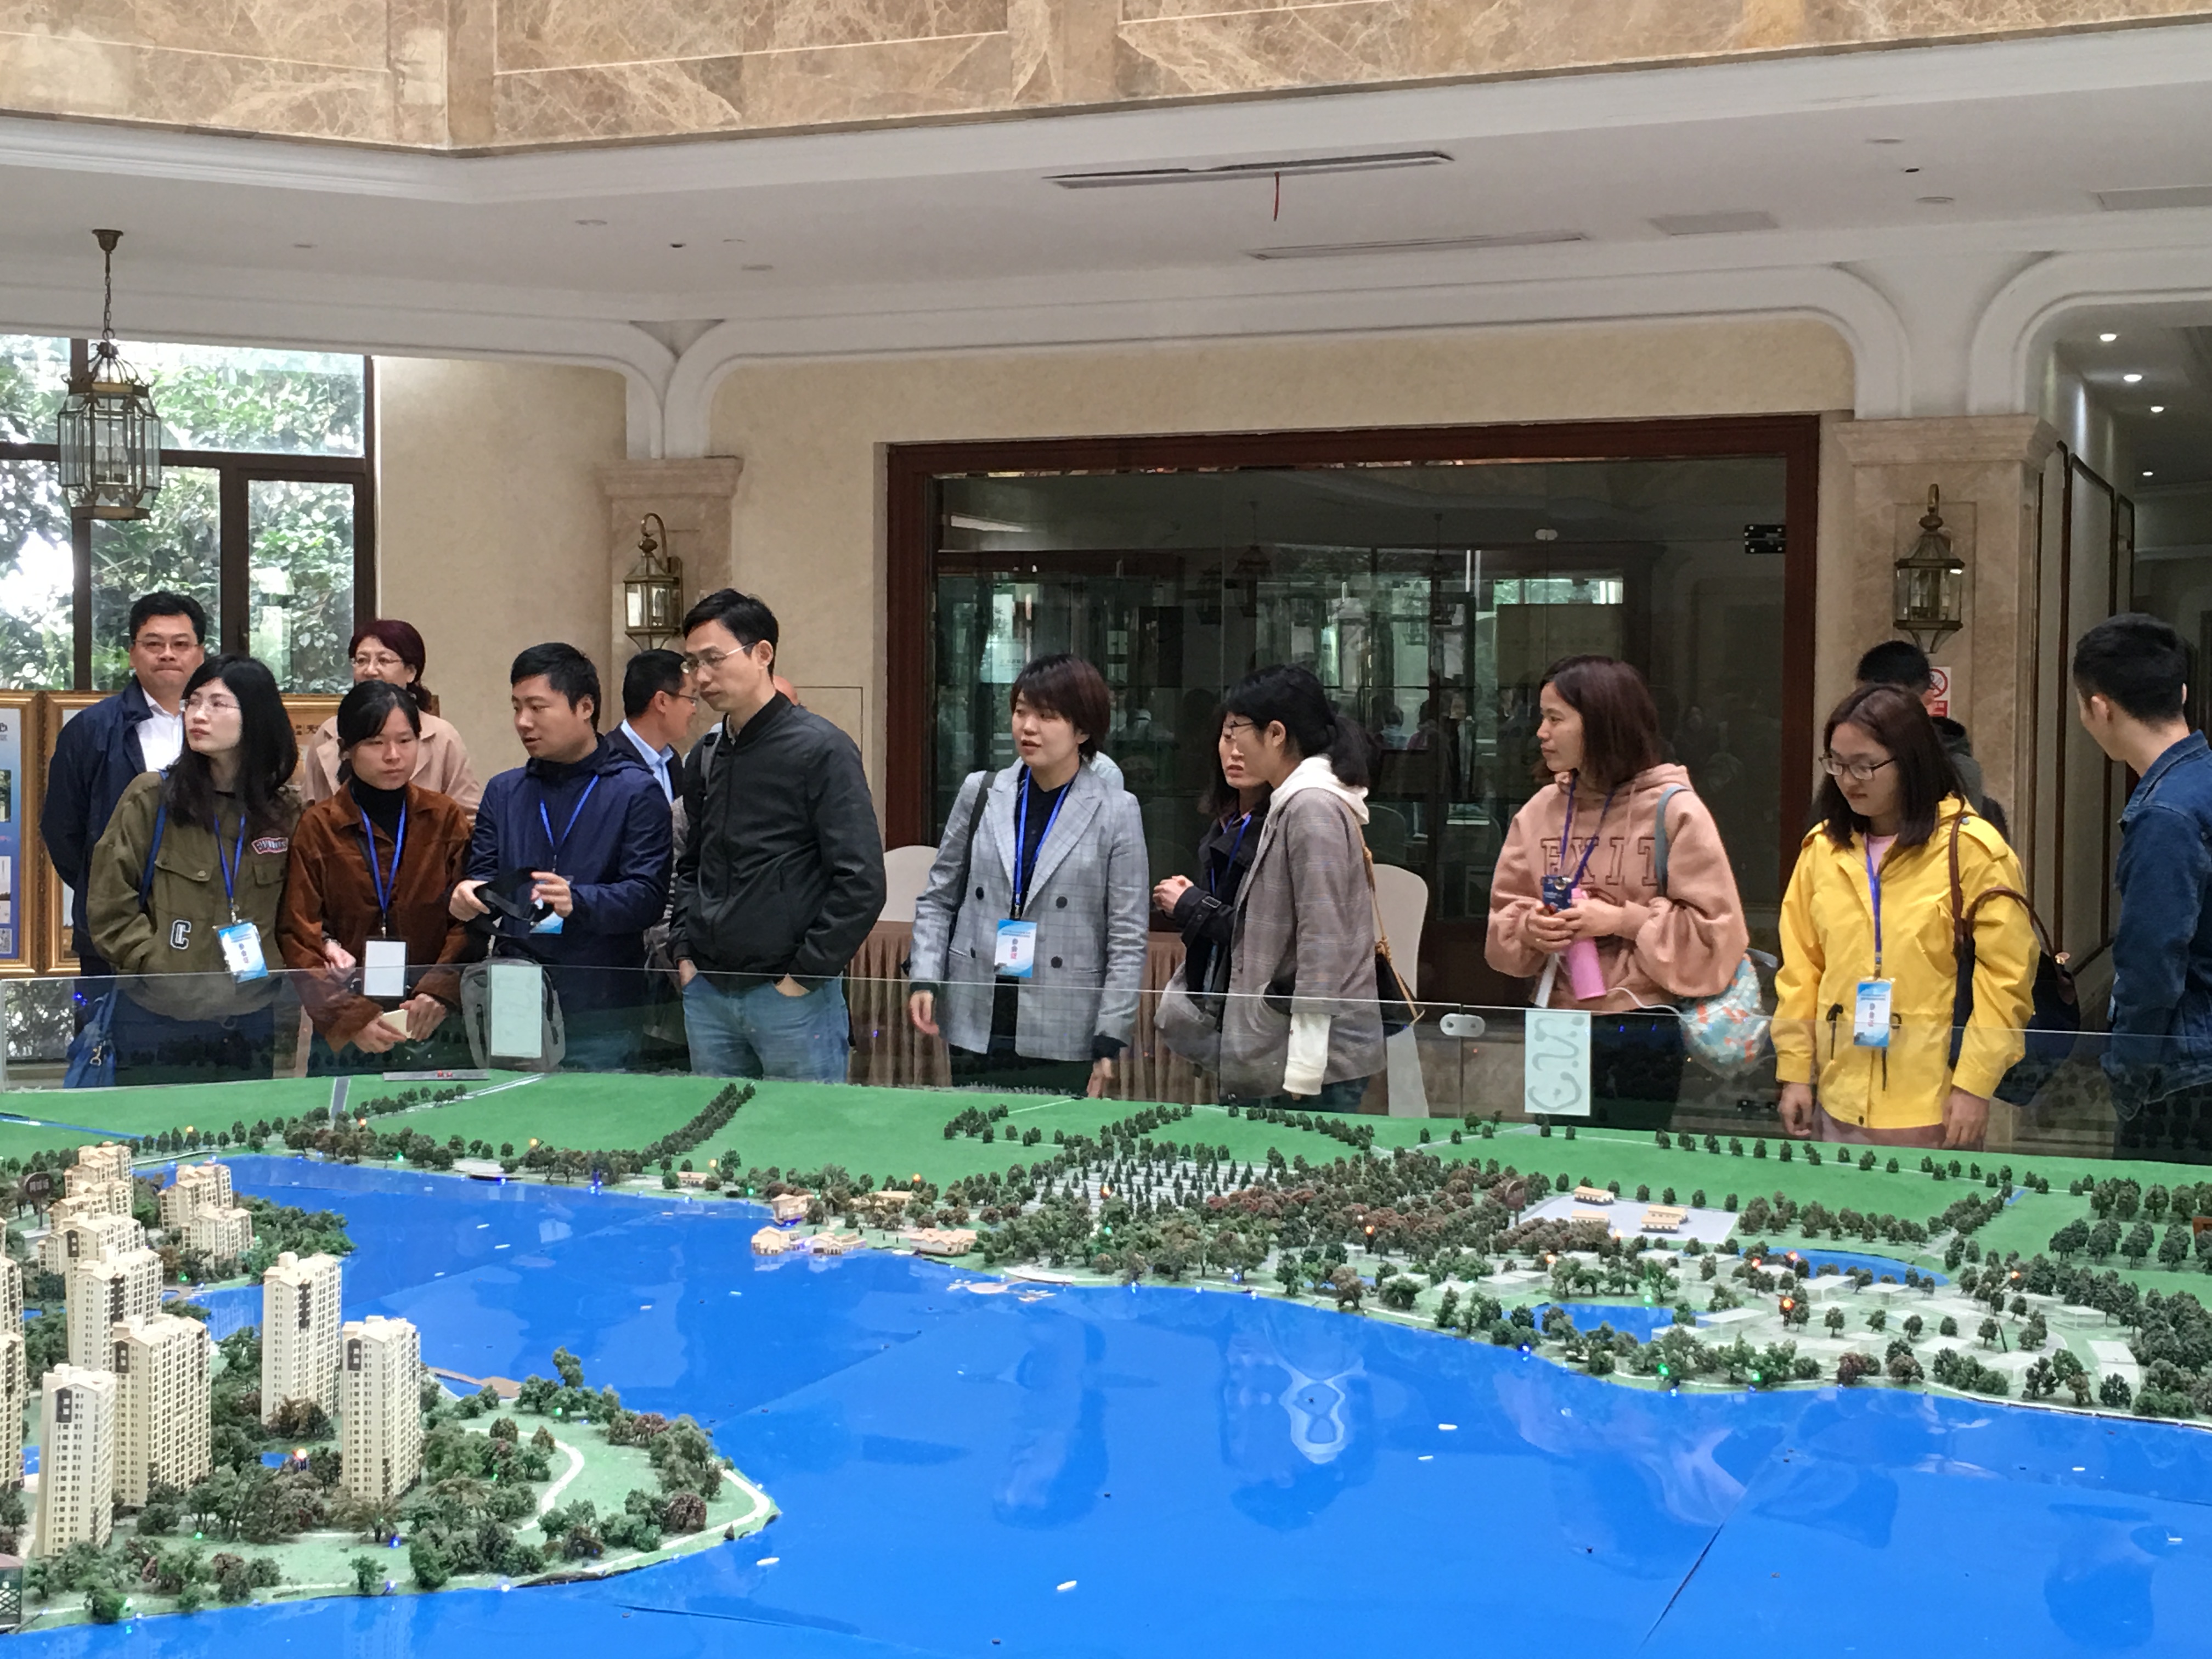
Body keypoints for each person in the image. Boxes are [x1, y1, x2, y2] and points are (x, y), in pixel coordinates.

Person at [1487, 656, 1750, 1128]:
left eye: (1555, 719)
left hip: (1644, 1020)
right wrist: (1530, 928)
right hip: (1557, 1019)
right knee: (1555, 1152)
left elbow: (1717, 935)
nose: (1541, 733)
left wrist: (1622, 921)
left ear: (1602, 723)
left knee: (1633, 1160)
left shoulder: (1675, 810)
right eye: (1542, 718)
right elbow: (1505, 915)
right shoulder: (1541, 810)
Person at [1774, 683, 2036, 1150]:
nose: (1849, 780)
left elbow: (2006, 980)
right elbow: (1802, 970)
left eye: (1865, 765)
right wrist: (1795, 1071)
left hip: (1936, 1103)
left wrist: (1974, 1084)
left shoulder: (1973, 849)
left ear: (1911, 761)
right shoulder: (1822, 850)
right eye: (1837, 763)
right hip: (1839, 1095)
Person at [909, 654, 1149, 1096]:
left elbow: (1127, 937)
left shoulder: (1116, 810)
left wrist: (1111, 1033)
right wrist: (925, 975)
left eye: (1047, 716)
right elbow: (939, 897)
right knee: (971, 1127)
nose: (1028, 727)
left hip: (1064, 1019)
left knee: (1047, 1136)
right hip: (977, 1007)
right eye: (1021, 711)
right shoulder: (982, 791)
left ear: (1082, 730)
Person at [673, 590, 885, 1082]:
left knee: (801, 1131)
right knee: (715, 1126)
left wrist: (803, 976)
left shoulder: (821, 749)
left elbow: (861, 881)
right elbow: (691, 864)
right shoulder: (705, 754)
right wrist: (684, 952)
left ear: (762, 653)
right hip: (708, 990)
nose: (701, 678)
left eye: (714, 659)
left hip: (792, 996)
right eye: (693, 663)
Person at [450, 644, 671, 1070]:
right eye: (516, 707)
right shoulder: (505, 791)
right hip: (516, 992)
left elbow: (648, 896)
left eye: (537, 707)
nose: (523, 722)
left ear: (585, 707)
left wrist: (578, 901)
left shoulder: (634, 790)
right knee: (515, 1108)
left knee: (593, 1110)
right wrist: (468, 895)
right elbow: (483, 876)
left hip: (600, 999)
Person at [84, 654, 298, 1085]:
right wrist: (155, 964)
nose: (198, 715)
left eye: (217, 704)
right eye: (193, 702)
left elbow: (299, 910)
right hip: (158, 1018)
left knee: (242, 1128)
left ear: (256, 717)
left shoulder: (284, 812)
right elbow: (109, 904)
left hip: (250, 1018)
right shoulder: (153, 797)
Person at [278, 679, 478, 1073]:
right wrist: (349, 1017)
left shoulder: (444, 818)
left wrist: (438, 992)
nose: (393, 756)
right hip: (348, 1029)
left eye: (406, 741)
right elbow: (298, 934)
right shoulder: (319, 826)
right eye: (375, 743)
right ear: (347, 749)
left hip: (430, 1020)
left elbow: (468, 921)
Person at [1208, 664, 1383, 1110]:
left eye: (1237, 730)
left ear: (1276, 734)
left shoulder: (1312, 806)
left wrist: (1305, 1064)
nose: (1231, 746)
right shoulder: (1296, 799)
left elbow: (1323, 938)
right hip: (1291, 1046)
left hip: (1313, 1059)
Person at [2074, 614, 2212, 1160]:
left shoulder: (2166, 814)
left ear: (2099, 708)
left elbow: (2152, 962)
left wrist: (2128, 1073)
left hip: (2187, 1072)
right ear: (2181, 694)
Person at [41, 591, 207, 986]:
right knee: (112, 1025)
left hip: (206, 920)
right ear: (133, 653)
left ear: (200, 654)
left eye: (181, 644)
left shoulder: (223, 724)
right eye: (153, 644)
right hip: (114, 931)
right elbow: (63, 831)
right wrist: (107, 889)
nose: (167, 654)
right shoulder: (90, 730)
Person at [300, 620, 481, 813]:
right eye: (361, 660)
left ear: (411, 672)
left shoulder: (442, 736)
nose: (370, 670)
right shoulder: (329, 732)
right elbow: (308, 810)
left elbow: (468, 815)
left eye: (383, 661)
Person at [1153, 719, 1269, 1012]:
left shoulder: (1277, 825)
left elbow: (1260, 932)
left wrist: (1191, 903)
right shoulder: (1225, 819)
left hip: (1256, 997)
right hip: (1211, 988)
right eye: (1228, 738)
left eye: (1250, 740)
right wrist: (1183, 901)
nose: (1236, 753)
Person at [1855, 638, 2006, 837]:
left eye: (1892, 706)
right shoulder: (1849, 762)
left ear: (1928, 703)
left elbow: (1953, 845)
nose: (1875, 716)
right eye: (1861, 703)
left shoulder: (1958, 770)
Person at [617, 649, 696, 804]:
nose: (694, 710)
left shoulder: (672, 760)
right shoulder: (608, 765)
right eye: (691, 699)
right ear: (662, 701)